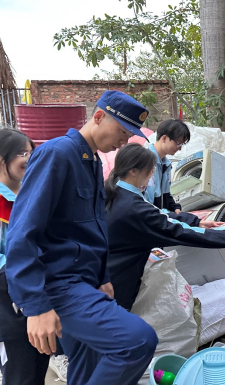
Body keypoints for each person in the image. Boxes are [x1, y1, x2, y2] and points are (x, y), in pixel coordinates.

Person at [5, 90, 158, 385]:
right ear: (98, 117)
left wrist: (102, 276)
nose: (124, 141)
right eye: (122, 132)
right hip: (59, 283)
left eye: (129, 135)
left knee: (90, 362)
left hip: (84, 281)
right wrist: (35, 306)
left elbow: (91, 228)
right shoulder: (57, 154)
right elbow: (22, 232)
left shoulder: (91, 161)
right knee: (138, 341)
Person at [105, 143, 225, 310]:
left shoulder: (115, 192)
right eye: (150, 169)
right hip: (118, 281)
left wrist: (196, 221)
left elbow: (160, 214)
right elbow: (180, 232)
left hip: (105, 273)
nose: (152, 173)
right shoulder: (133, 207)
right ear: (133, 171)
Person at [0, 129, 46, 385]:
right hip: (8, 309)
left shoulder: (31, 195)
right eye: (22, 154)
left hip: (40, 302)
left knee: (38, 369)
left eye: (31, 153)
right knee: (19, 375)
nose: (29, 159)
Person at [144, 119, 191, 218]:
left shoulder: (166, 165)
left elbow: (166, 195)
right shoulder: (146, 162)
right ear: (164, 138)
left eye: (182, 144)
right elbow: (145, 202)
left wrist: (174, 207)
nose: (180, 148)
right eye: (178, 143)